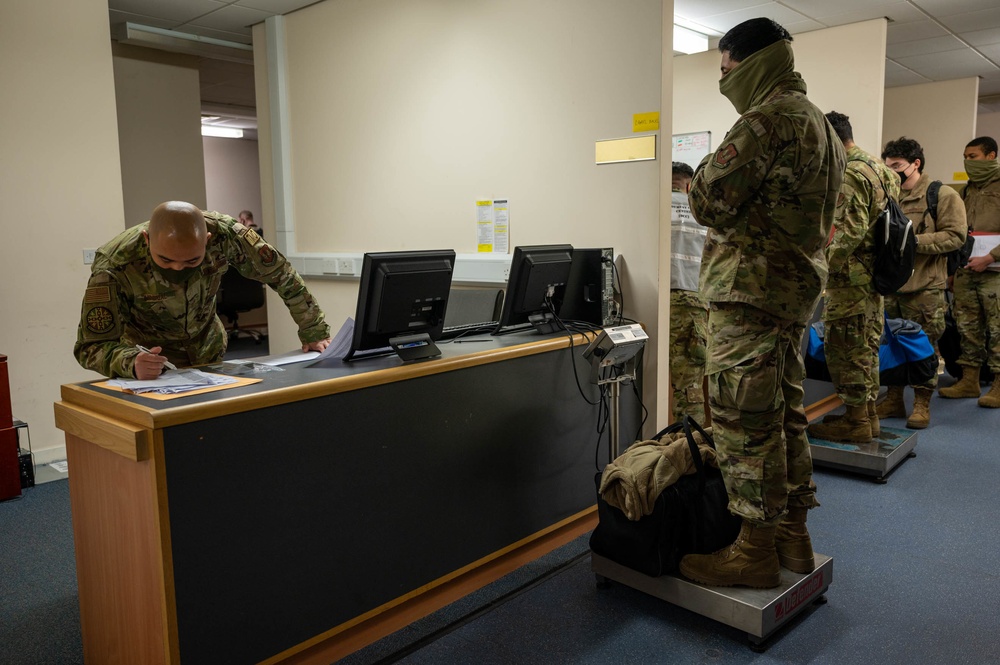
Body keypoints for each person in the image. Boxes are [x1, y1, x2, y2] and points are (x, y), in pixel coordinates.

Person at [679, 18, 846, 589]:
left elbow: (706, 198)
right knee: (783, 415)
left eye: (726, 69)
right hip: (790, 297)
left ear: (754, 62)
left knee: (741, 421)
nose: (724, 81)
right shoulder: (820, 124)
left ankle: (752, 549)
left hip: (748, 294)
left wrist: (697, 174)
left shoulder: (766, 120)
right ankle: (792, 536)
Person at [75, 201, 331, 380]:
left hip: (209, 353)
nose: (177, 269)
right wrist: (130, 363)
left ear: (207, 241)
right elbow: (90, 347)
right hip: (150, 367)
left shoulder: (227, 234)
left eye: (191, 261)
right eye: (165, 260)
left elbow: (281, 274)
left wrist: (314, 331)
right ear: (146, 240)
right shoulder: (115, 264)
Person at [808, 112, 899, 443]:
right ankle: (868, 416)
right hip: (871, 278)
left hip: (850, 280)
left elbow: (849, 232)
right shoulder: (880, 168)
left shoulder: (850, 172)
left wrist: (819, 267)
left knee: (845, 349)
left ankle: (856, 420)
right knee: (866, 347)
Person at [878, 138, 967, 428]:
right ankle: (892, 400)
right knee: (891, 347)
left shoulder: (941, 195)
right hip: (891, 288)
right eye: (888, 166)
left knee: (923, 348)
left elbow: (956, 235)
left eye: (897, 166)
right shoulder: (887, 195)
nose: (892, 171)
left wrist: (913, 241)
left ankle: (921, 403)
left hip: (924, 288)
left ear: (916, 164)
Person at [939, 136, 1000, 407]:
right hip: (966, 270)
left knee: (997, 330)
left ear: (991, 156)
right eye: (965, 156)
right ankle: (969, 381)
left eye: (973, 156)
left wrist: (991, 257)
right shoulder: (966, 191)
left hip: (995, 272)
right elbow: (960, 232)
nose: (967, 162)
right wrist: (952, 271)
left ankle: (998, 385)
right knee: (966, 328)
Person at [668, 161, 708, 425]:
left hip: (659, 300)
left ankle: (689, 449)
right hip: (695, 302)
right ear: (690, 184)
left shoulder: (657, 208)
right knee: (689, 383)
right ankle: (691, 449)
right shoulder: (703, 212)